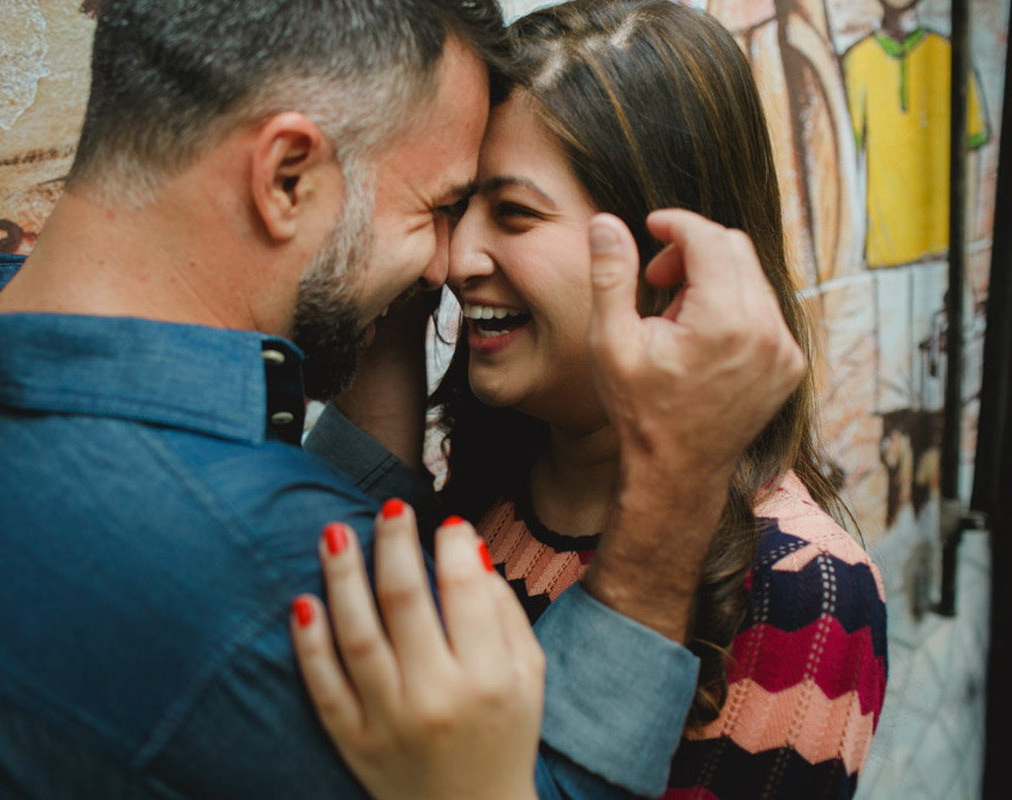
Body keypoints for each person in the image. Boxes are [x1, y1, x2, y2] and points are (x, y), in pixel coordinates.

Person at [0, 1, 807, 798]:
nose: (448, 263)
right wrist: (678, 478)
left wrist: (371, 301)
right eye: (439, 209)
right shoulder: (261, 578)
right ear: (287, 179)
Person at [303, 1, 887, 798]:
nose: (456, 257)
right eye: (455, 206)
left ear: (663, 258)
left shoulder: (804, 591)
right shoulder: (490, 485)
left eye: (512, 213)